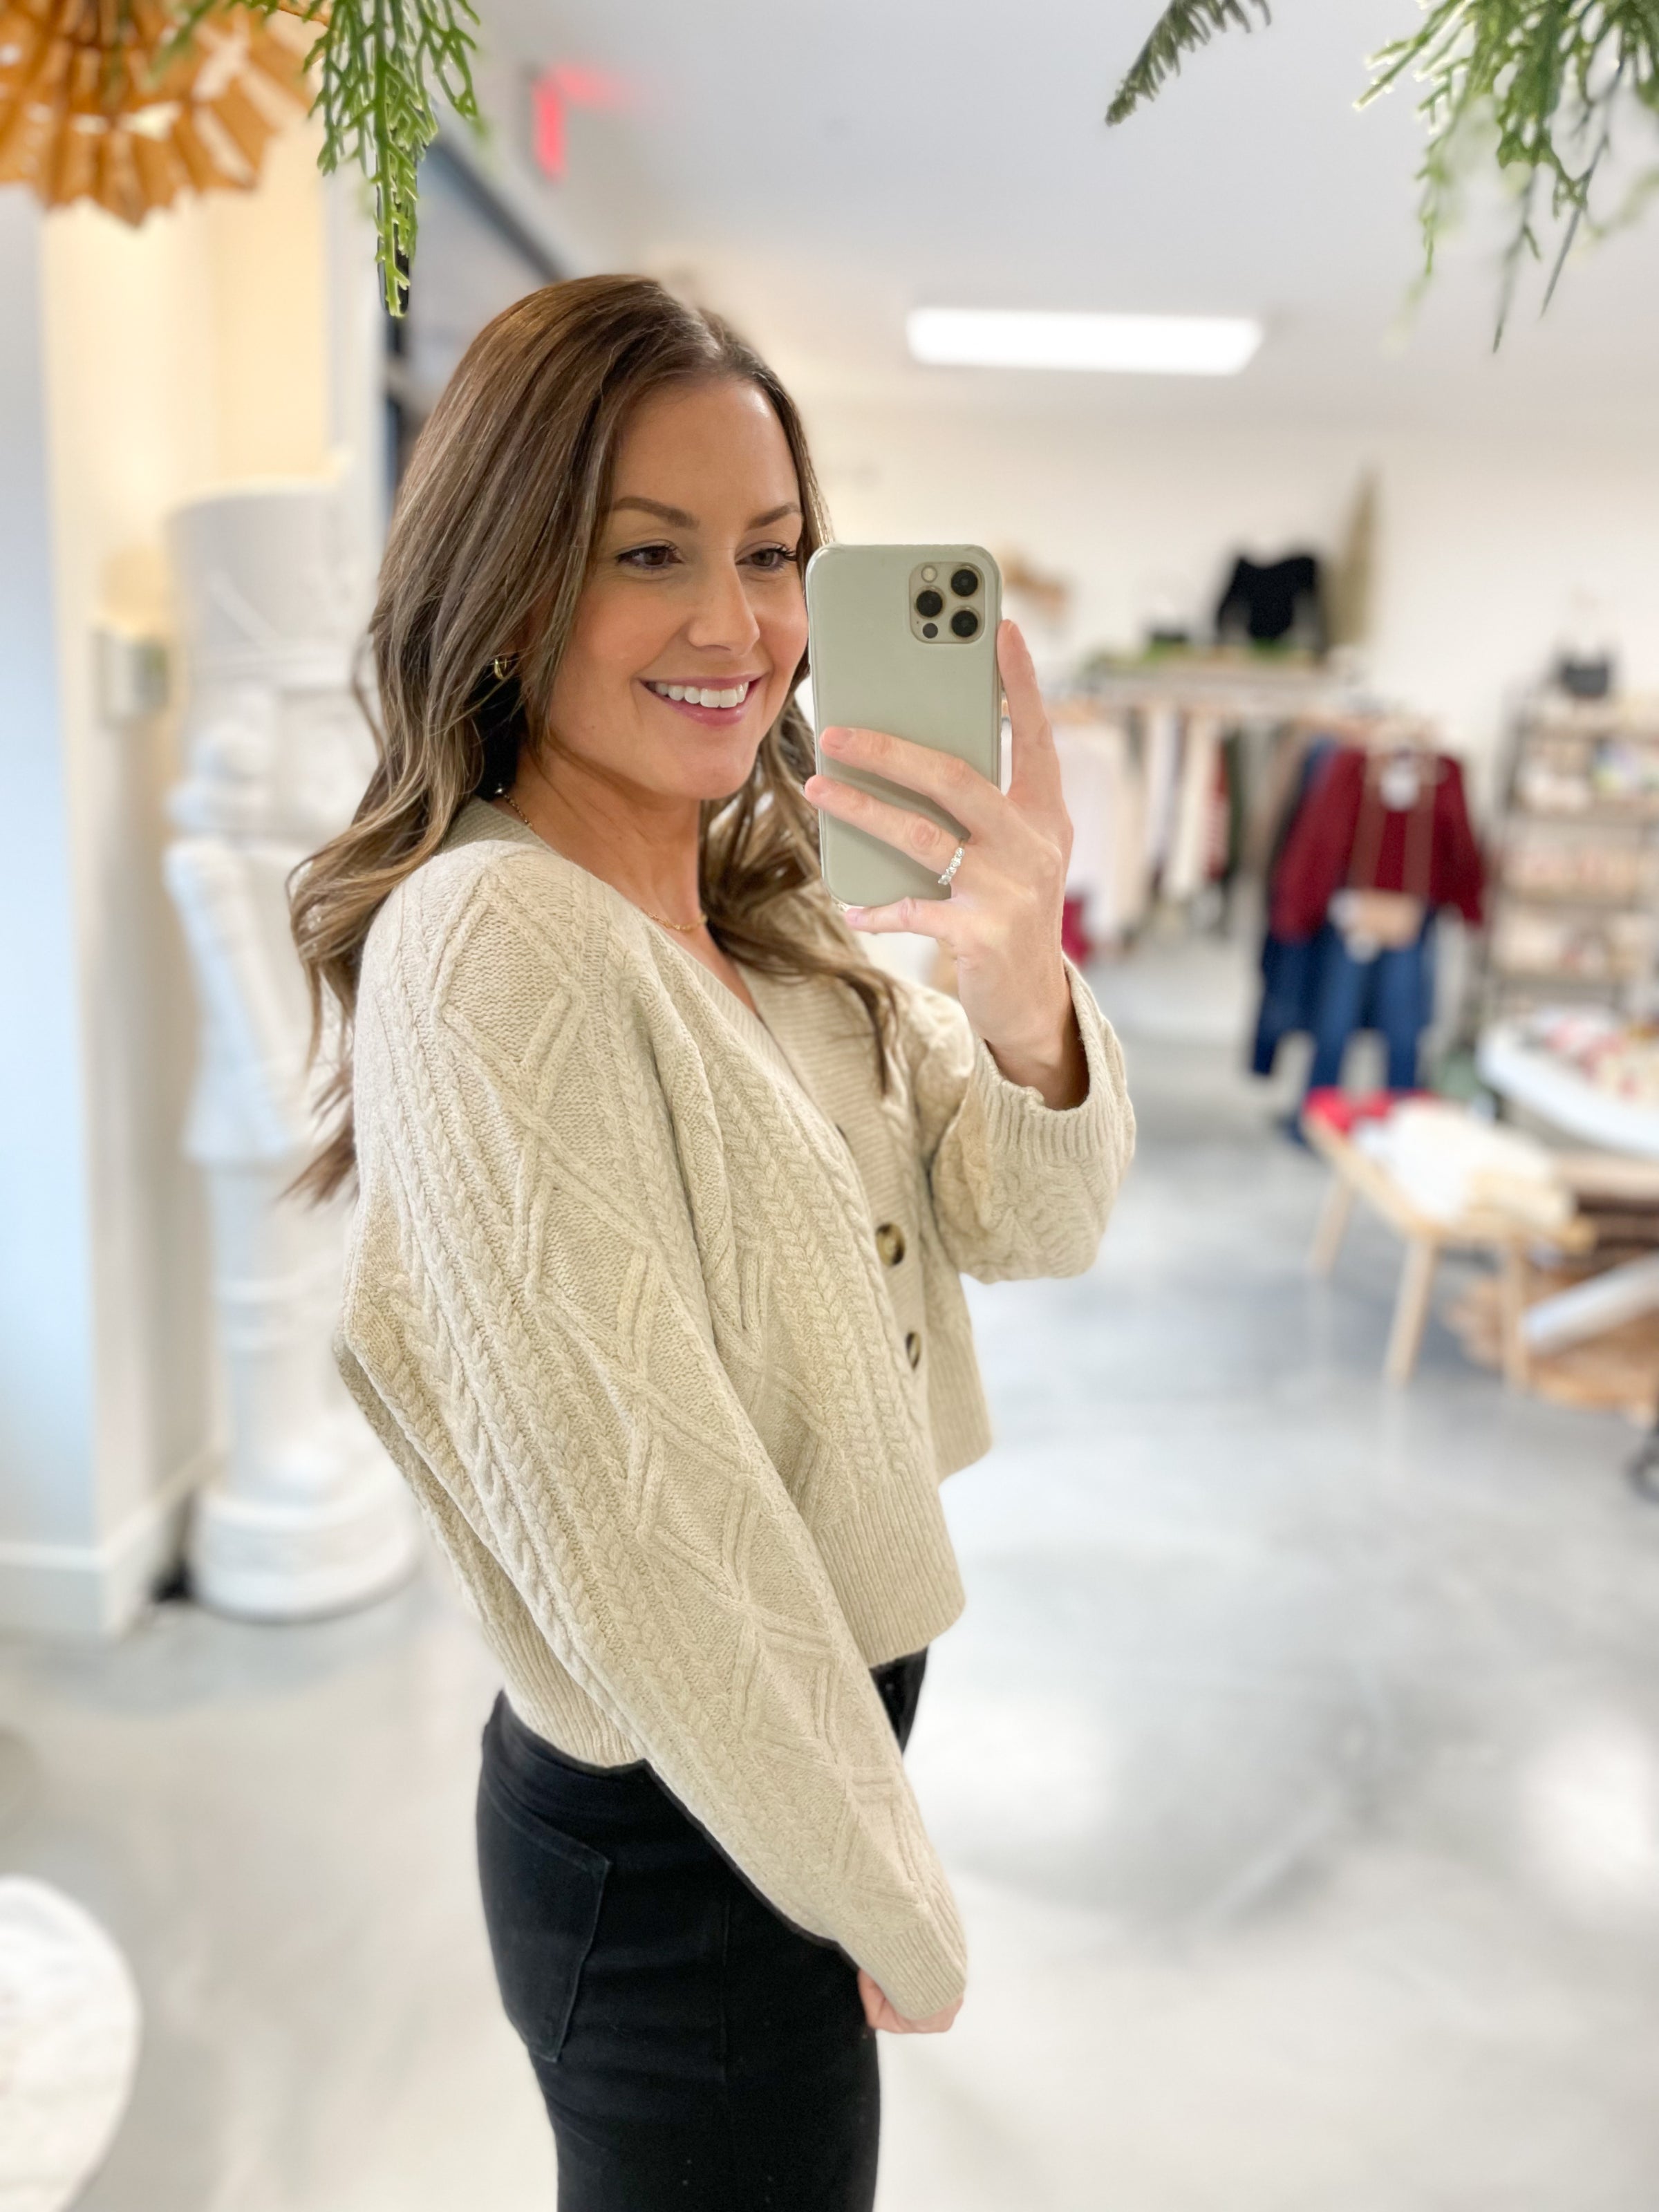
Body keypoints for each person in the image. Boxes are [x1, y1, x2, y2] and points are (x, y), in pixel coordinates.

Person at [290, 274, 1135, 2211]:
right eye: (647, 553)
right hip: (690, 1833)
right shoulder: (495, 943)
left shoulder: (768, 915)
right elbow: (648, 1524)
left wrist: (1018, 977)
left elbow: (1038, 1224)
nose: (736, 627)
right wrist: (886, 1890)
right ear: (508, 582)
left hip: (786, 1774)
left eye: (771, 554)